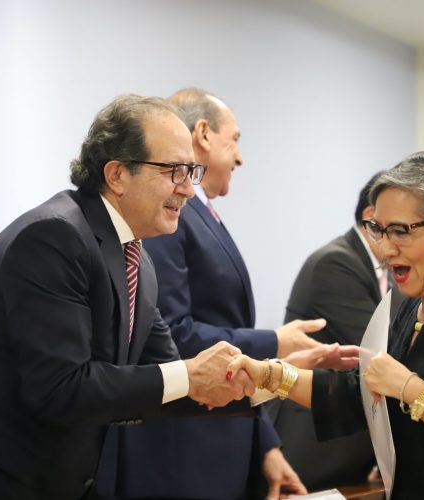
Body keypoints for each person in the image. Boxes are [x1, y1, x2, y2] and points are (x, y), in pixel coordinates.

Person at [0, 94, 255, 500]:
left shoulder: (138, 260)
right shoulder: (54, 236)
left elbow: (164, 376)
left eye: (191, 171)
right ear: (117, 174)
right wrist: (191, 376)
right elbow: (61, 388)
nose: (189, 191)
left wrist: (267, 380)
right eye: (175, 170)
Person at [229, 151, 424, 499]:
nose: (385, 249)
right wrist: (269, 375)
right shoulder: (414, 304)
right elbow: (362, 395)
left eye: (400, 232)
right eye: (378, 230)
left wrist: (410, 388)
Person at [101, 88, 322, 500]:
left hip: (220, 439)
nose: (240, 157)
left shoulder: (199, 213)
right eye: (234, 139)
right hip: (180, 452)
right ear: (203, 133)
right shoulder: (165, 215)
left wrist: (266, 444)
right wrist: (275, 342)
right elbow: (174, 335)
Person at [272, 173, 385, 490]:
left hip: (348, 444)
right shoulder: (335, 263)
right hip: (316, 442)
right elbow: (380, 352)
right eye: (401, 226)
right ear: (371, 217)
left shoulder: (379, 267)